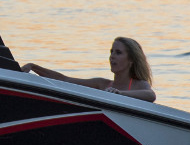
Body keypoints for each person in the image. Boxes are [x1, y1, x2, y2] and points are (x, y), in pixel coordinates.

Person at [26, 36, 157, 102]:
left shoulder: (139, 84)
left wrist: (119, 94)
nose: (112, 57)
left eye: (118, 53)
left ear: (131, 60)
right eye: (111, 52)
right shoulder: (102, 84)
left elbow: (151, 95)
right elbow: (63, 79)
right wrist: (33, 67)